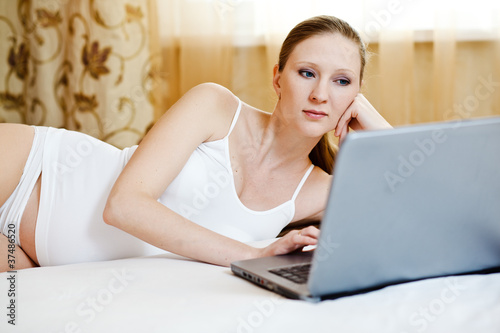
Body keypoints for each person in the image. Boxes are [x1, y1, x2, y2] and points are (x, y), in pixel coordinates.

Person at [0, 15, 392, 272]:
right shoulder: (216, 106)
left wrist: (376, 128)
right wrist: (253, 255)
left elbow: (429, 213)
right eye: (307, 73)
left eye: (342, 81)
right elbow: (123, 207)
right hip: (28, 170)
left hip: (35, 260)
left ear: (357, 94)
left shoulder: (322, 192)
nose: (321, 94)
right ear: (277, 78)